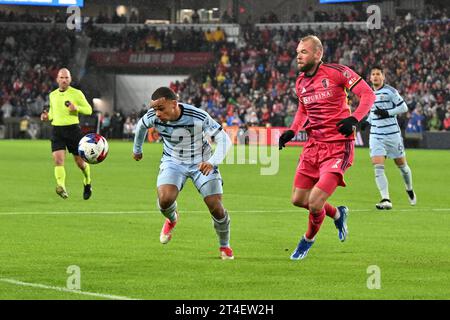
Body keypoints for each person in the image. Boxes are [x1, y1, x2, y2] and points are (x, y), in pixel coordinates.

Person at [278, 35, 376, 260]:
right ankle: (338, 213)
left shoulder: (337, 72)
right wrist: (293, 130)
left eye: (303, 52)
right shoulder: (300, 81)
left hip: (338, 147)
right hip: (313, 147)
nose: (298, 57)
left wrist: (355, 118)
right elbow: (303, 110)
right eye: (297, 53)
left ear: (317, 54)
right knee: (298, 200)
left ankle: (307, 239)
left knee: (314, 202)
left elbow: (368, 94)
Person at [132, 87, 234, 259]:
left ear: (174, 104)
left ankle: (224, 246)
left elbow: (224, 139)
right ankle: (172, 218)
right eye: (155, 109)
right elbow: (141, 127)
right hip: (173, 162)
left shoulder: (198, 116)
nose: (157, 113)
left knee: (215, 207)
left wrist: (212, 162)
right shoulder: (152, 117)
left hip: (202, 162)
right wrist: (137, 149)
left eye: (160, 108)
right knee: (165, 200)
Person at [363, 66, 416, 210]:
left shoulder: (390, 91)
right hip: (376, 135)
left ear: (383, 77)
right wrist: (366, 122)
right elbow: (373, 113)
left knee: (403, 167)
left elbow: (404, 107)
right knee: (378, 167)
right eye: (373, 74)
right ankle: (386, 199)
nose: (375, 77)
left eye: (378, 74)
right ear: (370, 77)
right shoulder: (368, 93)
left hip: (392, 135)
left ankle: (409, 188)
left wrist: (388, 112)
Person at [40, 68, 93, 200]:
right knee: (58, 160)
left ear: (70, 79)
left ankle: (87, 181)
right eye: (62, 77)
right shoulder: (52, 95)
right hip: (57, 131)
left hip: (73, 131)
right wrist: (47, 116)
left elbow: (89, 110)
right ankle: (61, 186)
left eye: (67, 78)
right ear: (57, 79)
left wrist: (77, 108)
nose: (64, 80)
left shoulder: (77, 93)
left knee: (80, 163)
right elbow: (53, 113)